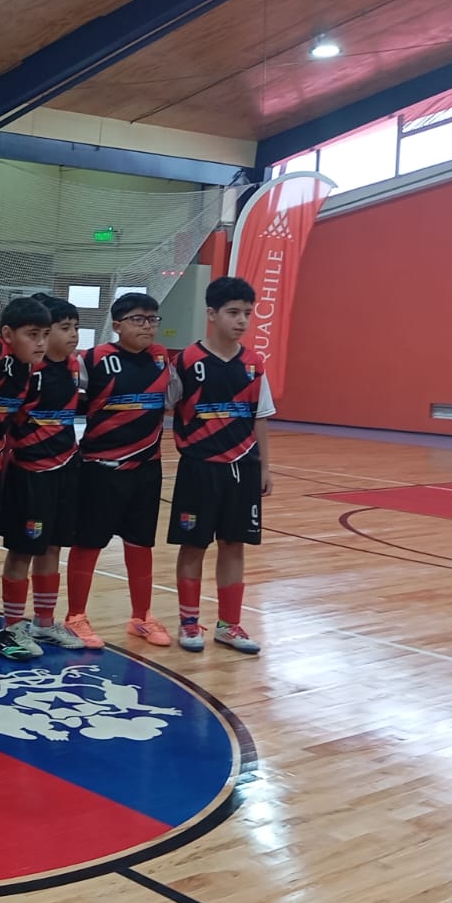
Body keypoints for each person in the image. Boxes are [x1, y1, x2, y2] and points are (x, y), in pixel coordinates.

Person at [170, 276, 274, 654]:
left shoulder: (253, 364)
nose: (242, 320)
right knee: (193, 545)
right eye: (233, 312)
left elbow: (260, 417)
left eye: (247, 313)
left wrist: (264, 467)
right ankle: (188, 623)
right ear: (212, 314)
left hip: (243, 467)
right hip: (199, 468)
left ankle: (230, 625)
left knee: (234, 545)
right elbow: (165, 408)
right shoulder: (186, 361)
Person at [64, 292, 173, 650]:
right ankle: (76, 616)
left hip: (146, 469)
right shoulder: (92, 360)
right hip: (100, 469)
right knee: (88, 544)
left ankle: (141, 617)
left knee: (140, 544)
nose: (147, 326)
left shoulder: (162, 359)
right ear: (117, 325)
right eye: (138, 319)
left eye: (152, 319)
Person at [0, 293, 93, 651]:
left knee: (53, 547)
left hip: (66, 469)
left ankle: (43, 622)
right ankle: (12, 625)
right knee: (22, 551)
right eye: (64, 328)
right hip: (29, 473)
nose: (73, 335)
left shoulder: (73, 367)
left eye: (76, 328)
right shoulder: (25, 371)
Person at [0, 297, 51, 657]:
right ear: (7, 335)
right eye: (32, 335)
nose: (41, 343)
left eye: (45, 335)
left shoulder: (29, 372)